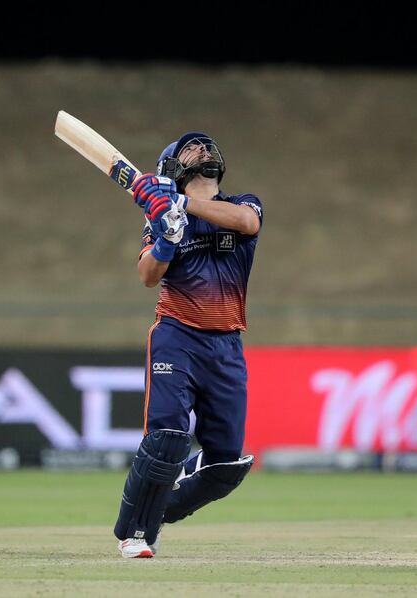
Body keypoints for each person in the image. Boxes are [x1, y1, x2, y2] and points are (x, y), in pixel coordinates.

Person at [113, 132, 263, 558]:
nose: (202, 148)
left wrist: (180, 205)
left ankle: (152, 510)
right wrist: (167, 235)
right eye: (189, 148)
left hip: (227, 345)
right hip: (178, 336)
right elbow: (147, 275)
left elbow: (247, 224)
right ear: (173, 170)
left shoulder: (244, 203)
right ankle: (136, 533)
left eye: (205, 145)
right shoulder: (161, 218)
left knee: (227, 466)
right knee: (168, 438)